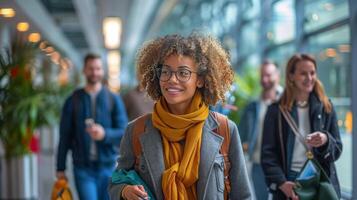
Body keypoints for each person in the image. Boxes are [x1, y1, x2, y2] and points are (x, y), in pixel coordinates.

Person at [109, 34, 252, 200]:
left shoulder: (224, 129)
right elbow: (116, 181)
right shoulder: (137, 130)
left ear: (200, 80)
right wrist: (124, 191)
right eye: (165, 72)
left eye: (183, 73)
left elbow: (243, 195)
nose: (172, 79)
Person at [261, 53, 342, 200]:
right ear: (291, 76)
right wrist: (282, 183)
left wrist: (325, 139)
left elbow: (337, 149)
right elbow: (268, 154)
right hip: (290, 180)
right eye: (303, 73)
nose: (309, 78)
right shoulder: (276, 111)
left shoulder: (326, 107)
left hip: (318, 178)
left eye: (312, 73)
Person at [56, 53, 128, 200]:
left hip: (109, 167)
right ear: (84, 70)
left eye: (98, 68)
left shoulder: (113, 99)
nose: (95, 72)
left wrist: (105, 134)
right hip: (83, 168)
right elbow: (65, 136)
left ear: (102, 71)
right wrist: (60, 167)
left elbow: (124, 133)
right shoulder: (73, 100)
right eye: (91, 68)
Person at [239, 60, 282, 200]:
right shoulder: (253, 106)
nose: (265, 79)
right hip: (258, 164)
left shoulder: (287, 103)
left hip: (281, 164)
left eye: (268, 75)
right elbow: (241, 134)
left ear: (278, 75)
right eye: (262, 75)